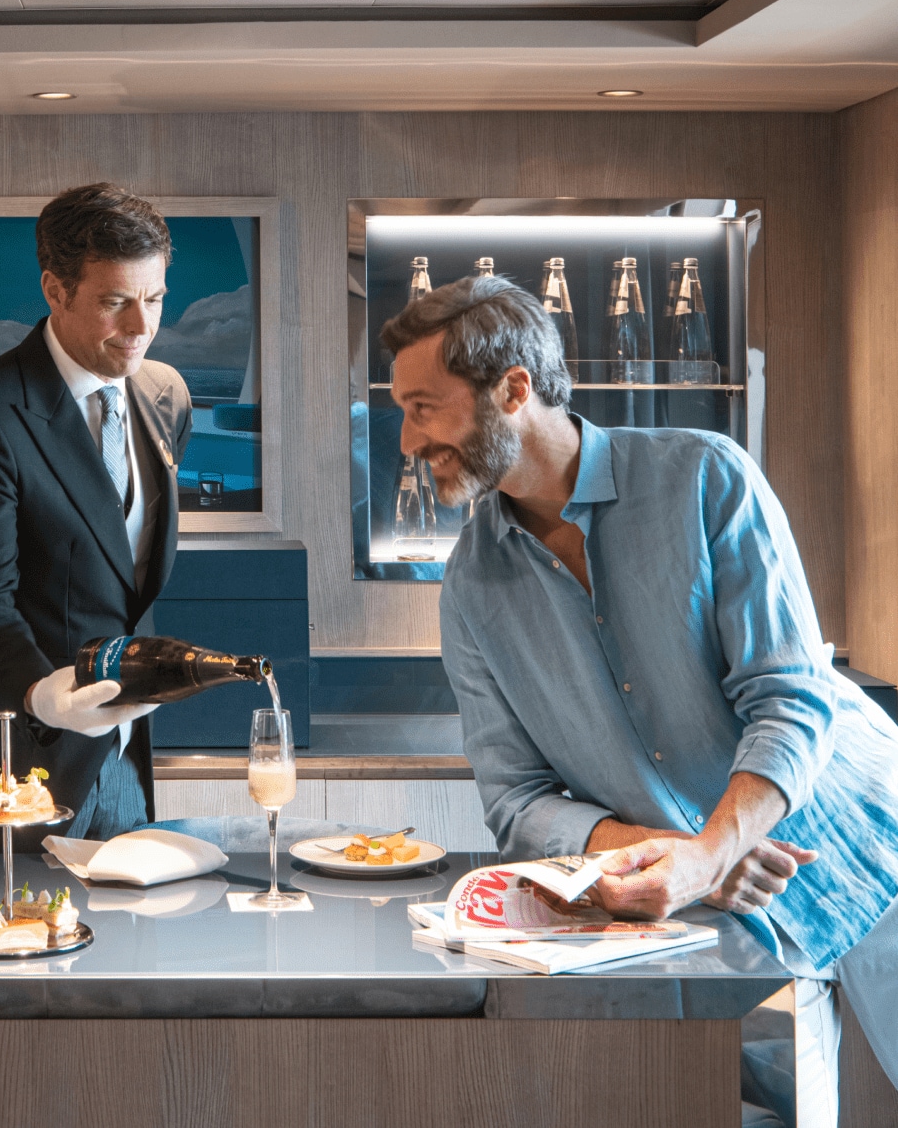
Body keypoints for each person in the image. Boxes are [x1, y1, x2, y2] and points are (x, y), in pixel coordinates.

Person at [383, 275, 898, 1126]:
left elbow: (789, 699)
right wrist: (681, 857)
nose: (407, 438)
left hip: (867, 859)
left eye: (424, 408)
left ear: (513, 389)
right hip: (727, 925)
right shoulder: (471, 584)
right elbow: (516, 799)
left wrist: (707, 853)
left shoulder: (704, 477)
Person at [0, 183, 192, 852]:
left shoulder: (165, 395)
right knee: (10, 945)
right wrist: (43, 694)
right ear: (55, 289)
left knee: (134, 945)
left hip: (125, 746)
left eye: (154, 299)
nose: (140, 327)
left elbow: (119, 568)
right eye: (114, 303)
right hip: (19, 749)